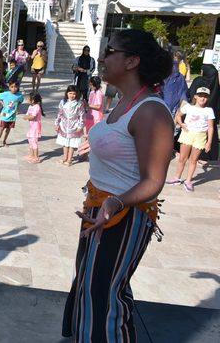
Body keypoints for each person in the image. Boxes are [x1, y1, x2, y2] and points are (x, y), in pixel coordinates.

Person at [63, 29, 174, 342]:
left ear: (132, 61)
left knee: (104, 294)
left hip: (123, 214)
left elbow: (153, 181)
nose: (102, 57)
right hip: (100, 209)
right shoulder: (126, 101)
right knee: (90, 285)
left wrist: (116, 202)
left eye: (110, 50)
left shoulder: (150, 110)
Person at [166, 87, 215, 192]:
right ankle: (177, 178)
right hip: (187, 134)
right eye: (200, 96)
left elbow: (211, 127)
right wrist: (181, 124)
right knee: (182, 158)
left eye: (205, 96)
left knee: (193, 160)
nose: (203, 98)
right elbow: (178, 115)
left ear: (208, 98)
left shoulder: (209, 110)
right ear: (195, 97)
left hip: (200, 136)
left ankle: (188, 181)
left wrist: (209, 142)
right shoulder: (188, 107)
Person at [188, 64, 219, 162]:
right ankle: (210, 156)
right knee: (210, 133)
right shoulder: (216, 83)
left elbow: (191, 93)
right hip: (212, 112)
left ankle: (194, 156)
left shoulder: (199, 80)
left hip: (198, 111)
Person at [55, 85, 85, 166]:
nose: (72, 95)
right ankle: (65, 158)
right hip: (64, 125)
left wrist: (80, 126)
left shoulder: (79, 103)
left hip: (74, 126)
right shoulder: (63, 102)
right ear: (67, 93)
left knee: (72, 144)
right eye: (70, 93)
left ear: (77, 94)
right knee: (65, 143)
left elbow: (82, 116)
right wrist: (57, 124)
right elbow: (59, 114)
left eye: (74, 94)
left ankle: (69, 160)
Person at [0, 81, 24, 149]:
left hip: (13, 115)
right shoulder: (6, 94)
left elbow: (20, 101)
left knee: (8, 129)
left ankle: (4, 141)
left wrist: (17, 108)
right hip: (5, 114)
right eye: (12, 87)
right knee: (1, 128)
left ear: (18, 87)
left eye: (16, 87)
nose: (14, 88)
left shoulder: (19, 95)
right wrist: (3, 104)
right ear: (9, 87)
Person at [22, 91, 44, 163]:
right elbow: (28, 114)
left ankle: (36, 157)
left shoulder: (37, 107)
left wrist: (26, 117)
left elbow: (32, 117)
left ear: (33, 100)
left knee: (34, 142)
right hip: (31, 127)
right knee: (30, 140)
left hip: (36, 127)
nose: (27, 100)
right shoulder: (30, 106)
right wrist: (27, 117)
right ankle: (31, 155)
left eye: (28, 98)